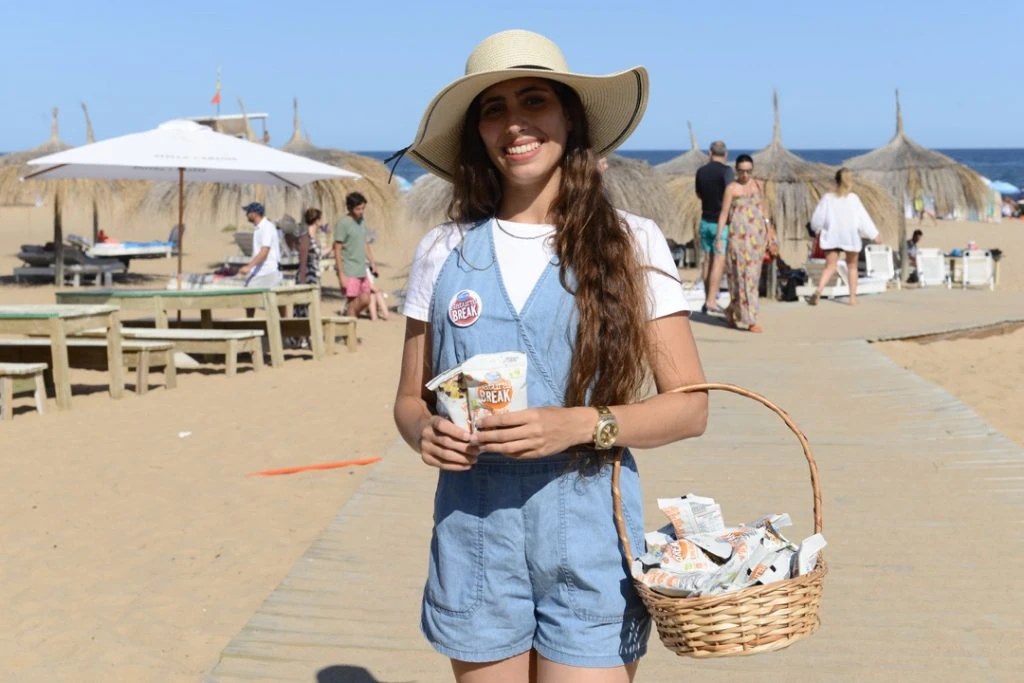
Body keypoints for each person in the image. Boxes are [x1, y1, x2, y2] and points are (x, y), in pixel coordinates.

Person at [393, 29, 708, 682]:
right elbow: (407, 400)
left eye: (533, 100)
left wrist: (583, 424)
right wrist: (426, 431)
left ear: (570, 116)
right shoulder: (442, 250)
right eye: (493, 108)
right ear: (478, 132)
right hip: (474, 532)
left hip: (592, 536)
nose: (514, 123)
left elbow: (690, 406)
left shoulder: (632, 241)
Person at [716, 155, 776, 332]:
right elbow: (724, 213)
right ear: (736, 170)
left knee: (752, 278)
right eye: (742, 171)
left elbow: (763, 209)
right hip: (738, 240)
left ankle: (747, 317)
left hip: (756, 239)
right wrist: (719, 237)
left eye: (749, 171)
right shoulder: (731, 189)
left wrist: (769, 230)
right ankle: (744, 316)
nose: (745, 175)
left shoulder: (758, 185)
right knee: (738, 278)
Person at [807, 168, 879, 306]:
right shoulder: (853, 199)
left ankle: (819, 290)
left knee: (830, 267)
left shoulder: (828, 198)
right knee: (852, 267)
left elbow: (818, 217)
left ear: (836, 181)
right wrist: (874, 234)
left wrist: (815, 228)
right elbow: (864, 219)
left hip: (832, 236)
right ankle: (852, 298)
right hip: (849, 236)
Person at [695, 141, 734, 314]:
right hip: (721, 223)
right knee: (718, 261)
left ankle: (707, 299)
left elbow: (698, 194)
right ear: (725, 154)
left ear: (710, 152)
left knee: (707, 261)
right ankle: (711, 301)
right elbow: (730, 193)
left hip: (705, 220)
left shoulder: (701, 171)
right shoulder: (726, 172)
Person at [333, 192, 378, 319]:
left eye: (363, 208)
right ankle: (350, 332)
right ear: (350, 208)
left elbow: (365, 243)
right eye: (358, 209)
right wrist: (341, 274)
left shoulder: (362, 222)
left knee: (365, 299)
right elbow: (337, 249)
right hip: (349, 270)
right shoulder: (343, 224)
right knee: (353, 301)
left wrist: (372, 262)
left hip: (361, 269)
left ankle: (348, 322)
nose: (361, 211)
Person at [238, 202, 282, 288]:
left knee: (250, 295)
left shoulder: (267, 227)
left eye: (248, 212)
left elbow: (264, 252)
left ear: (254, 214)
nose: (246, 215)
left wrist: (248, 267)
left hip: (268, 271)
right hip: (259, 271)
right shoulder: (259, 228)